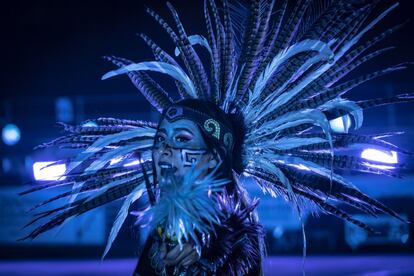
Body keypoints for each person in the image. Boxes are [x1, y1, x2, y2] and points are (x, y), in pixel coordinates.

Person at [21, 1, 413, 275]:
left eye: (180, 140)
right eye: (161, 141)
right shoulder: (168, 221)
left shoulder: (232, 229)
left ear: (212, 158)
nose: (164, 153)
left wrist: (204, 258)